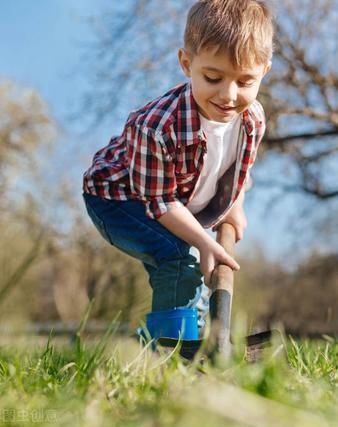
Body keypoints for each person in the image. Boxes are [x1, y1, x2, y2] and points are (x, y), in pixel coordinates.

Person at [81, 0, 273, 340]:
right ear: (187, 63)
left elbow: (238, 172)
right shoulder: (156, 127)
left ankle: (187, 341)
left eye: (245, 81)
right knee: (179, 258)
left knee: (193, 275)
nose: (229, 94)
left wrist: (236, 207)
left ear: (265, 71)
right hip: (118, 199)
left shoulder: (253, 120)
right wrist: (204, 242)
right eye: (213, 77)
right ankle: (171, 354)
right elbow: (160, 204)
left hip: (173, 204)